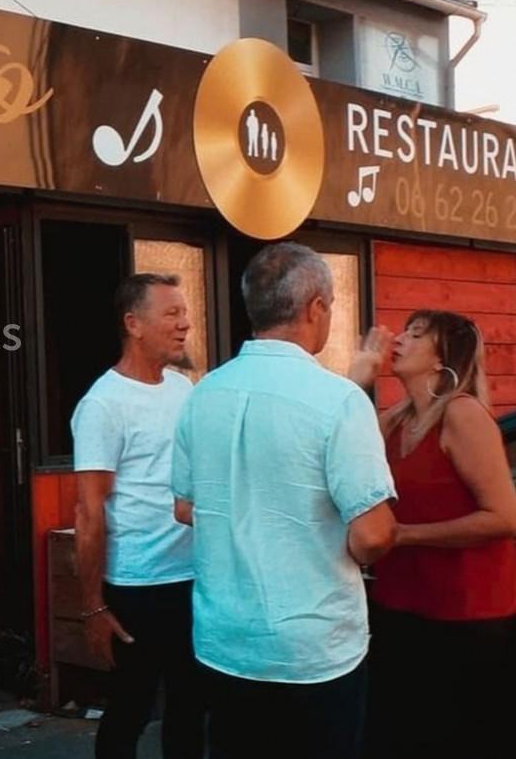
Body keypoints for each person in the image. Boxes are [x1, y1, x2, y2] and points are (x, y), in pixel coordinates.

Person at [171, 243, 397, 759]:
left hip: (223, 639)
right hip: (313, 647)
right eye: (332, 304)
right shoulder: (338, 401)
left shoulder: (202, 393)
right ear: (315, 306)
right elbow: (375, 532)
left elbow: (184, 508)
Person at [349, 311, 516, 759]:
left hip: (467, 616)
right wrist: (357, 380)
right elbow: (339, 447)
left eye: (417, 334)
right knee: (401, 733)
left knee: (460, 737)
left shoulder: (462, 414)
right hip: (402, 606)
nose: (399, 339)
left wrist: (403, 535)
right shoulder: (394, 421)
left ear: (443, 357)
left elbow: (504, 517)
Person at [72, 273, 204, 759]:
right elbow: (88, 512)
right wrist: (92, 605)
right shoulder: (103, 404)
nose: (185, 324)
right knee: (131, 707)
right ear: (134, 323)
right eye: (171, 313)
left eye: (184, 313)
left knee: (191, 707)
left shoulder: (183, 388)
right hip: (137, 585)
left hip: (193, 576)